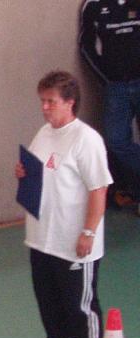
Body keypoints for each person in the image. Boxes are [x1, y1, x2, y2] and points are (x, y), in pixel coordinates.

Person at [16, 71, 112, 338]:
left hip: (74, 242)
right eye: (42, 101)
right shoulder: (43, 133)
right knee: (50, 304)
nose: (44, 107)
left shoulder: (86, 139)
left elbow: (98, 189)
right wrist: (23, 173)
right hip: (42, 238)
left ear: (69, 102)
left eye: (51, 101)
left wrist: (88, 232)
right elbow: (40, 173)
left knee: (79, 307)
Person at [80, 0, 140, 208]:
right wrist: (106, 80)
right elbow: (86, 46)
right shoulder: (93, 5)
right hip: (115, 87)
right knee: (116, 141)